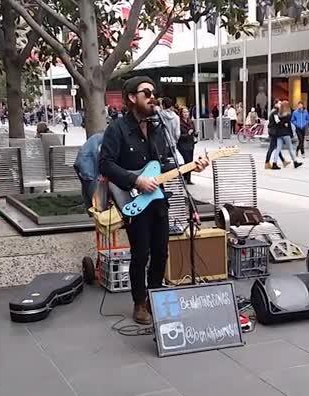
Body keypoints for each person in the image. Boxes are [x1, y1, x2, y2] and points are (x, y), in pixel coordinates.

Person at [98, 76, 210, 325]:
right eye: (146, 92)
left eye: (153, 92)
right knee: (141, 253)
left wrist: (193, 166)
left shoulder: (159, 127)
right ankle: (139, 302)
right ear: (131, 98)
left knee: (161, 252)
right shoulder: (117, 129)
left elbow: (167, 162)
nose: (152, 97)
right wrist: (135, 181)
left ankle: (155, 297)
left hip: (159, 200)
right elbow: (105, 164)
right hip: (134, 200)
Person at [74, 132, 104, 210]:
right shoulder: (107, 140)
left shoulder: (96, 138)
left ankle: (92, 210)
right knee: (98, 203)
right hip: (90, 170)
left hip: (85, 168)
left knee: (89, 196)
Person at [271, 101, 302, 169]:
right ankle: (295, 162)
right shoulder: (288, 115)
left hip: (279, 134)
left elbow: (278, 124)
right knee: (290, 148)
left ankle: (274, 163)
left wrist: (282, 124)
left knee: (278, 149)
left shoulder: (278, 114)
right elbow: (289, 126)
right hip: (286, 134)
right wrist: (291, 134)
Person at [158, 97, 183, 163]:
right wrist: (175, 141)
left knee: (164, 163)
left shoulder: (159, 115)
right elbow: (177, 133)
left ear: (163, 105)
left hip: (162, 144)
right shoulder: (176, 117)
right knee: (174, 162)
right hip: (172, 143)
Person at [177, 107, 197, 185]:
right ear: (181, 113)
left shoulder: (191, 121)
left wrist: (195, 133)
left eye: (187, 112)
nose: (186, 114)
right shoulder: (179, 122)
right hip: (183, 145)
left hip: (191, 144)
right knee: (186, 162)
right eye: (184, 112)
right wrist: (187, 134)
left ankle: (188, 178)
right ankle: (185, 178)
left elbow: (193, 131)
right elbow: (178, 135)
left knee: (190, 161)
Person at [264, 100, 286, 168]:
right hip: (273, 132)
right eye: (279, 103)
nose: (280, 104)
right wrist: (284, 124)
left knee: (277, 147)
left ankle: (283, 161)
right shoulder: (275, 112)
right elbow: (277, 122)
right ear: (276, 104)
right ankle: (267, 163)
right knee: (271, 148)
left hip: (274, 132)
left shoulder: (276, 112)